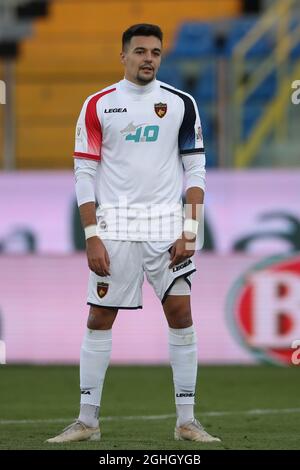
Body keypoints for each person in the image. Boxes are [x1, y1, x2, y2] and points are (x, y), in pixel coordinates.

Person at [47, 23, 220, 444]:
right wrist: (91, 234)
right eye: (140, 51)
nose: (148, 58)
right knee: (99, 317)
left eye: (155, 52)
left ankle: (186, 421)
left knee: (182, 315)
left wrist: (190, 228)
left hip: (165, 228)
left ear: (161, 58)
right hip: (115, 227)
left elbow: (195, 170)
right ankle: (87, 421)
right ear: (123, 56)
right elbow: (84, 173)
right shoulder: (98, 105)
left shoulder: (181, 104)